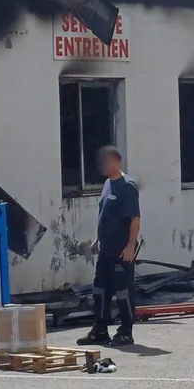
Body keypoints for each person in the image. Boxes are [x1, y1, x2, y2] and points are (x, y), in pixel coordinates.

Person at [78, 146, 140, 347]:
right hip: (105, 250)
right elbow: (104, 215)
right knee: (100, 290)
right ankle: (100, 330)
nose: (102, 165)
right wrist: (98, 239)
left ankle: (125, 332)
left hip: (121, 251)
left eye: (105, 161)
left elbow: (135, 219)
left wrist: (131, 245)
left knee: (123, 292)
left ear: (116, 161)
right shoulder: (107, 185)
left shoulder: (127, 186)